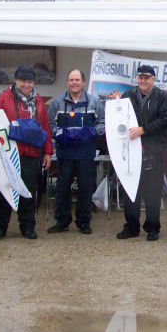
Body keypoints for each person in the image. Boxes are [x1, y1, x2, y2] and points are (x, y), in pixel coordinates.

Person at [0, 66, 53, 240]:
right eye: (23, 81)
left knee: (28, 191)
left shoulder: (38, 101)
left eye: (30, 81)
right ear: (16, 81)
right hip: (9, 154)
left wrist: (48, 152)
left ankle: (27, 226)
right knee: (3, 190)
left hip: (31, 154)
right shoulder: (4, 98)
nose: (26, 84)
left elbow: (45, 127)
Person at [116, 64, 167, 241]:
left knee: (152, 192)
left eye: (147, 77)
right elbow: (120, 119)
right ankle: (131, 227)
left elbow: (166, 120)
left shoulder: (163, 97)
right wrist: (116, 104)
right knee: (131, 190)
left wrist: (143, 130)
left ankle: (153, 228)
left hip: (154, 151)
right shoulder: (128, 96)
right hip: (131, 152)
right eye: (140, 77)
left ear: (153, 79)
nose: (143, 80)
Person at [47, 68, 105, 235]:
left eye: (77, 80)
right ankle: (62, 222)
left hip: (86, 153)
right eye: (71, 80)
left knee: (86, 188)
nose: (74, 83)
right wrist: (62, 135)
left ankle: (84, 222)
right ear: (67, 82)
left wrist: (91, 133)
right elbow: (50, 125)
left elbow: (102, 123)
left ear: (83, 82)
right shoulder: (57, 103)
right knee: (62, 188)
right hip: (65, 153)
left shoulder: (94, 102)